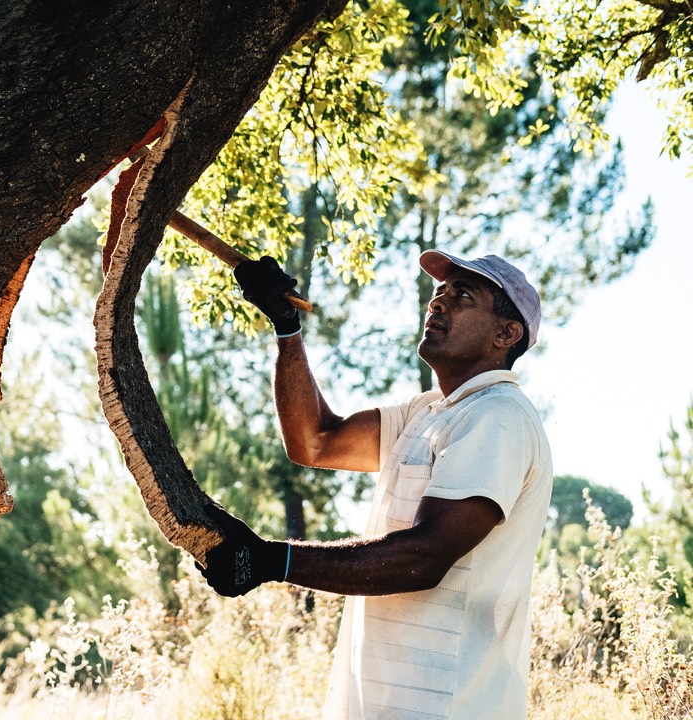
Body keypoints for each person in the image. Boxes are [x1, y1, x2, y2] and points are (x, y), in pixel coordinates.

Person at [198, 250, 553, 720]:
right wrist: (287, 330)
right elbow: (315, 442)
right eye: (439, 293)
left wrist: (274, 560)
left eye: (462, 295)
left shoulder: (498, 417)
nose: (438, 303)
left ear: (506, 334)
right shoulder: (426, 413)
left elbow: (423, 558)